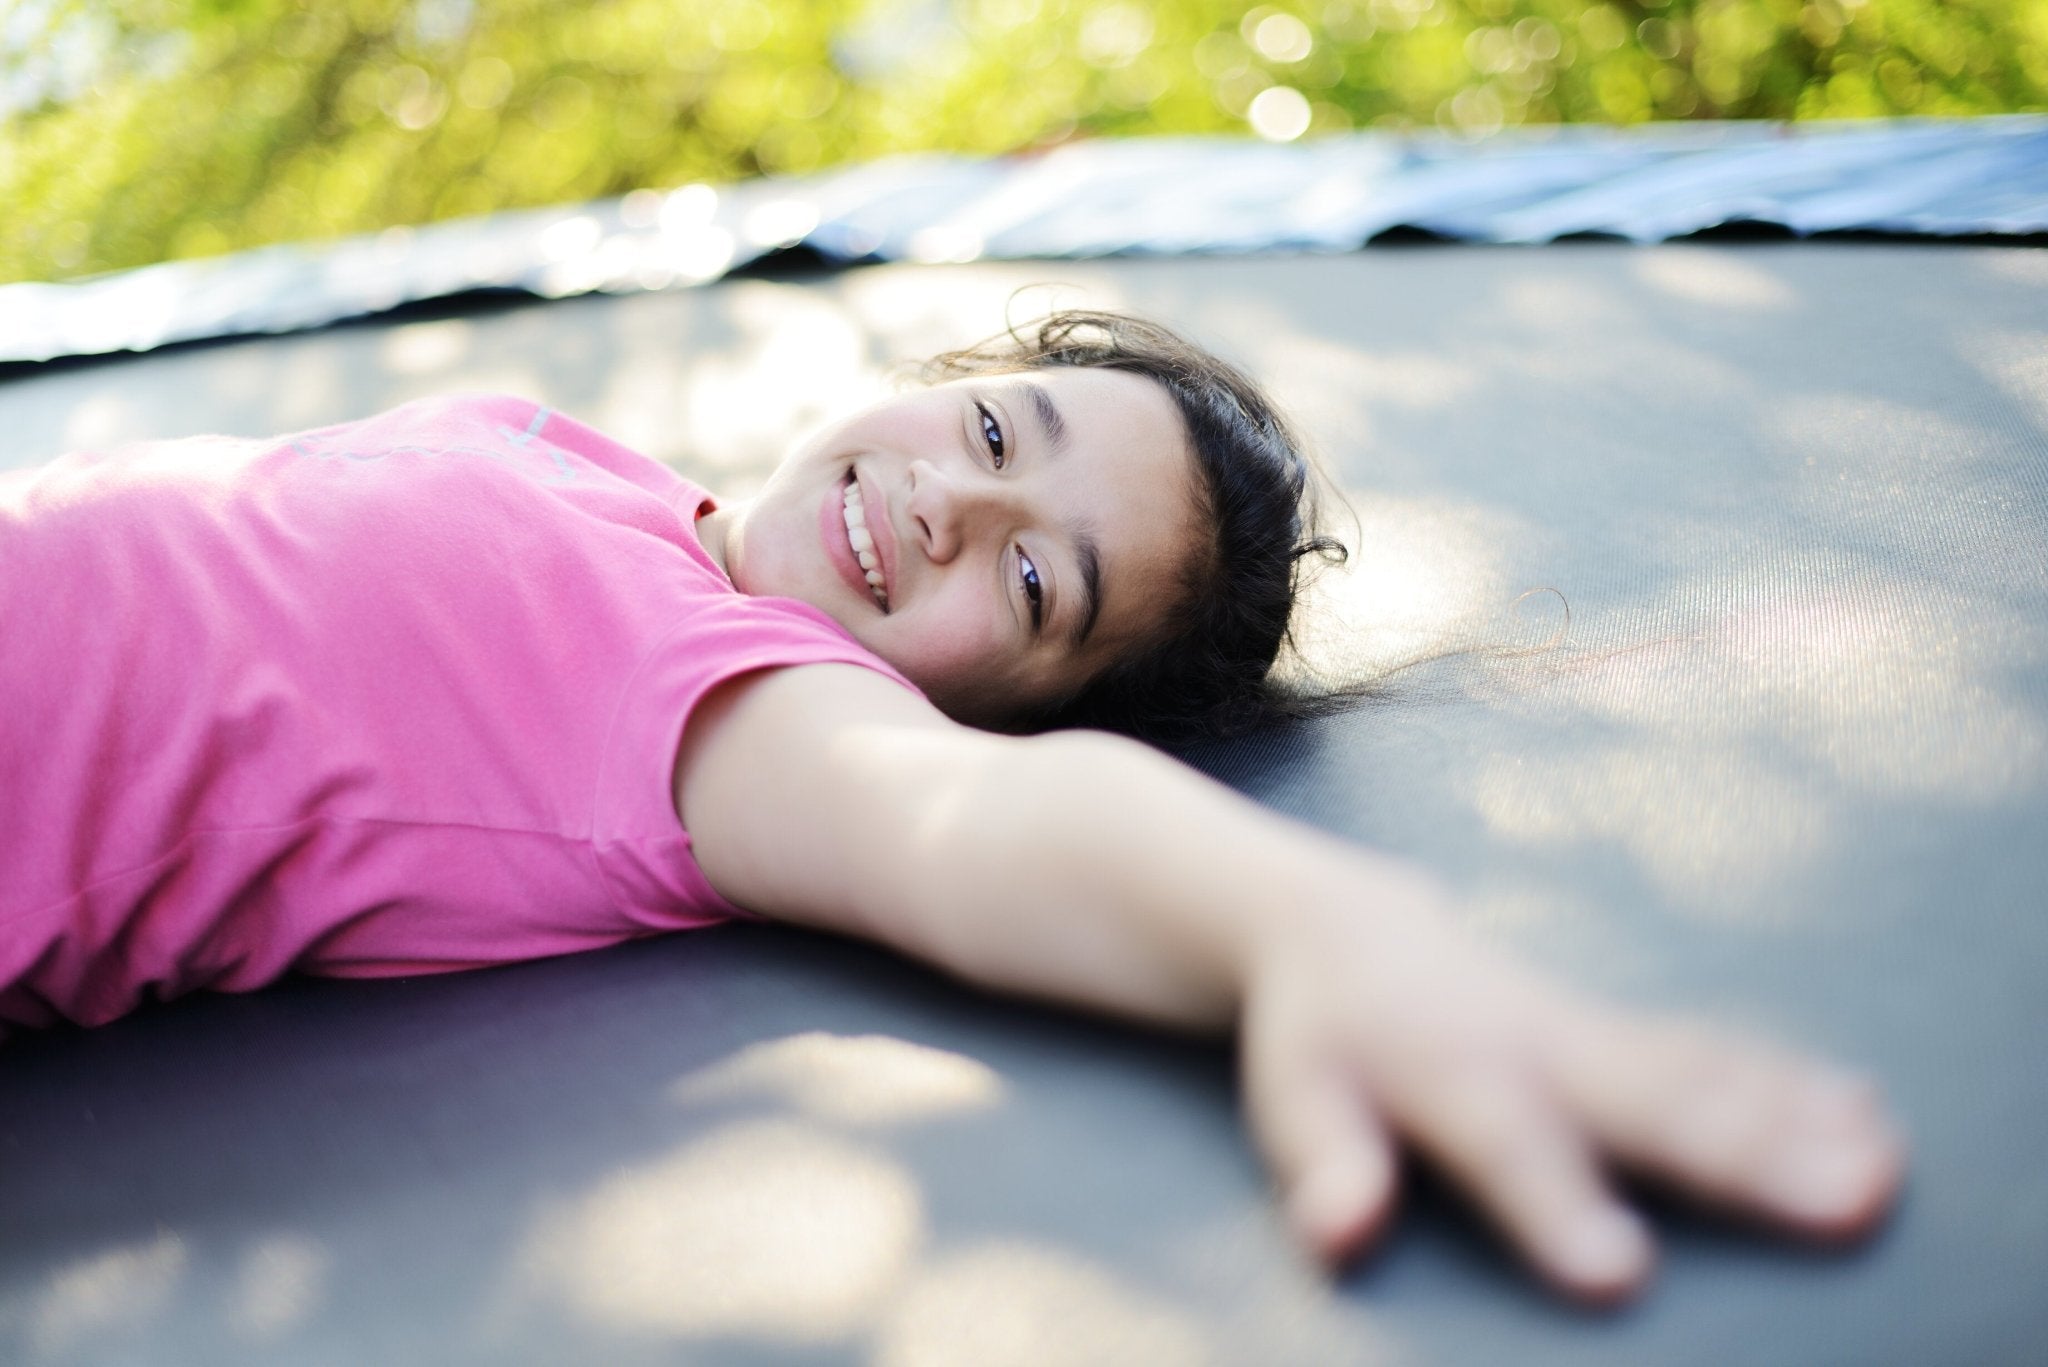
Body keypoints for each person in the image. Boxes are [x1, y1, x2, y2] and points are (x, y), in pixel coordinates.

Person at [0, 310, 1900, 1305]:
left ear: (1000, 701)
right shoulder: (594, 474)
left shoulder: (734, 710)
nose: (960, 513)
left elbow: (970, 835)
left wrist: (1314, 927)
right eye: (997, 438)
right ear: (940, 385)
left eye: (1038, 590)